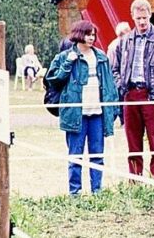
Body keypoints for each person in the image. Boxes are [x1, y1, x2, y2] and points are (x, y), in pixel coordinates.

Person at [46, 20, 119, 195]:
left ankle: (97, 191)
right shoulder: (64, 57)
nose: (91, 38)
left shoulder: (101, 57)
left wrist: (113, 109)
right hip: (75, 114)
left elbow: (110, 86)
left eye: (93, 34)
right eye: (88, 34)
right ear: (79, 34)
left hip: (97, 115)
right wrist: (67, 65)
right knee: (75, 157)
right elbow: (53, 81)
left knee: (97, 156)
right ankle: (75, 193)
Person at [112, 0, 154, 179]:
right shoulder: (125, 41)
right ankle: (135, 182)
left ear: (150, 15)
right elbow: (114, 67)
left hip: (152, 96)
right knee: (133, 144)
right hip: (130, 95)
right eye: (138, 18)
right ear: (132, 17)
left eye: (144, 17)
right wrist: (121, 86)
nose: (142, 22)